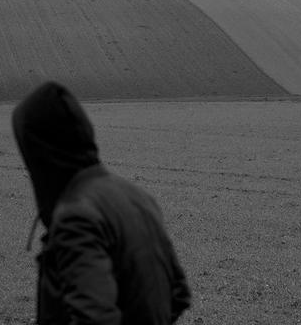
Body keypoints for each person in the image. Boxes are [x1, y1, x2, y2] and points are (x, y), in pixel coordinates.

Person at [12, 81, 191, 325]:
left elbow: (95, 318)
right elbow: (178, 294)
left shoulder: (76, 216)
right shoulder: (138, 197)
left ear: (40, 153)